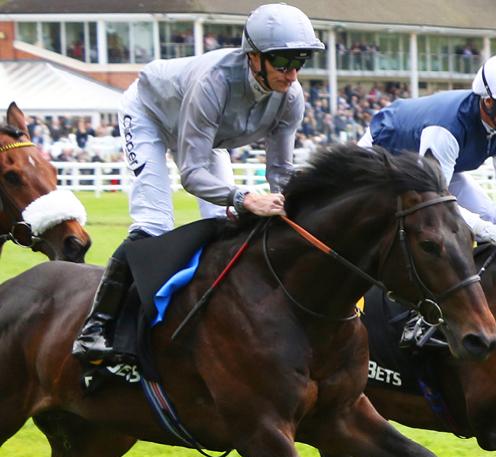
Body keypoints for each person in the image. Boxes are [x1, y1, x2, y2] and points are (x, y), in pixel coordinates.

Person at [73, 3, 322, 379]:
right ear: (254, 58)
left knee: (225, 222)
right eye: (283, 62)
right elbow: (191, 174)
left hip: (202, 133)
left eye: (299, 62)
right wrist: (243, 196)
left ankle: (209, 319)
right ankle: (97, 327)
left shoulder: (291, 97)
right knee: (155, 222)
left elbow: (281, 173)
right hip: (150, 116)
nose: (292, 74)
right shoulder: (215, 82)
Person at [360, 53, 496, 249]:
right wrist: (486, 230)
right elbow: (434, 198)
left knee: (488, 215)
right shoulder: (446, 129)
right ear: (488, 101)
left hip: (426, 168)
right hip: (382, 155)